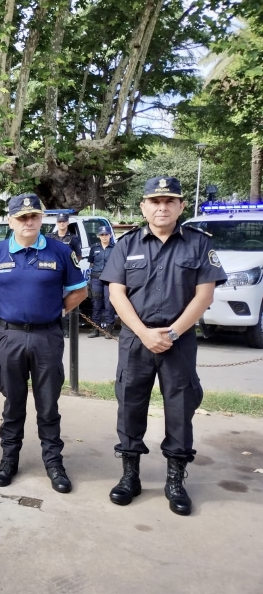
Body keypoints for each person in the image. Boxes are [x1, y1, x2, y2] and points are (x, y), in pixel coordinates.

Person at [100, 176, 227, 516]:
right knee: (129, 405)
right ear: (143, 207)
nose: (162, 207)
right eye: (155, 201)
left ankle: (175, 479)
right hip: (135, 340)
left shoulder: (199, 244)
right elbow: (116, 293)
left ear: (181, 206)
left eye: (170, 201)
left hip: (179, 341)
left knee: (180, 408)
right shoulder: (126, 245)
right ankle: (130, 476)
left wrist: (170, 334)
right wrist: (143, 332)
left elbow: (205, 295)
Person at [0, 193, 88, 494]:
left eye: (34, 216)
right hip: (10, 336)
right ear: (10, 220)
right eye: (21, 217)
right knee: (13, 404)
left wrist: (58, 310)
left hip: (47, 336)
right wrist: (5, 309)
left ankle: (54, 463)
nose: (28, 221)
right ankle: (8, 460)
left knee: (48, 404)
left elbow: (80, 291)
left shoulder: (60, 251)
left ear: (42, 219)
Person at [86, 226, 115, 338]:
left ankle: (109, 328)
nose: (104, 237)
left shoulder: (115, 248)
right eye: (102, 235)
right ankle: (96, 328)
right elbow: (91, 263)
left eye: (106, 234)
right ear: (99, 236)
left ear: (110, 235)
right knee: (96, 304)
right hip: (96, 278)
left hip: (109, 279)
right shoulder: (94, 248)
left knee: (109, 303)